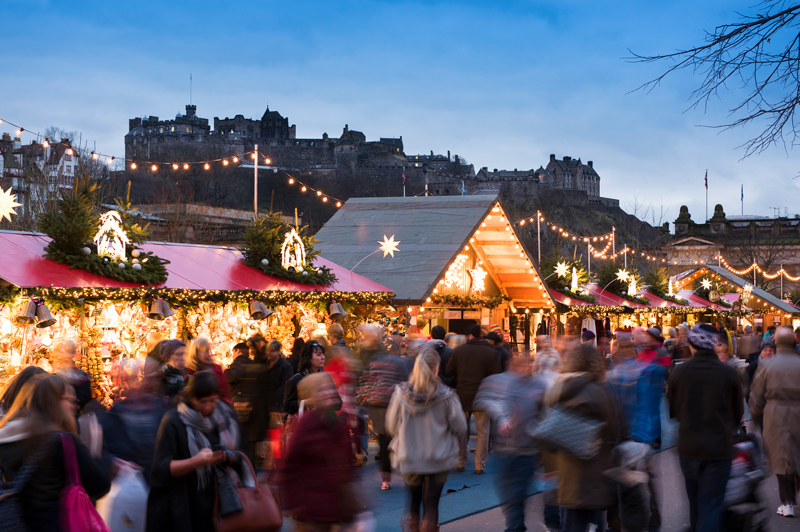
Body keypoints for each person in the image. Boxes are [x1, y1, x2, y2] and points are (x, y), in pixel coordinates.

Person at [0, 374, 111, 531]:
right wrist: (96, 450)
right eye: (70, 400)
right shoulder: (62, 441)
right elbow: (99, 487)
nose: (75, 406)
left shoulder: (5, 439)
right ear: (54, 402)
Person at [667, 323, 743, 532]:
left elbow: (673, 410)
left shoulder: (679, 372)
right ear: (713, 345)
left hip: (690, 446)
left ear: (692, 344)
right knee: (712, 504)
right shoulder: (728, 373)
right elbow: (737, 413)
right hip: (719, 447)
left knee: (696, 503)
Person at [147, 371, 243, 532]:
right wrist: (197, 461)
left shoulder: (227, 417)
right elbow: (162, 469)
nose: (207, 407)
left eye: (212, 401)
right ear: (190, 398)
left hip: (225, 503)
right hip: (189, 505)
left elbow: (242, 454)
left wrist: (226, 457)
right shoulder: (174, 422)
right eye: (202, 401)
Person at [386, 348, 467, 532]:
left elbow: (391, 425)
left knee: (413, 502)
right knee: (431, 504)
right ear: (436, 368)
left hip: (410, 455)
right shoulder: (447, 395)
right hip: (439, 456)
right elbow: (461, 427)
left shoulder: (400, 393)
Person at [548, 343, 622, 532]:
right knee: (593, 519)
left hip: (567, 467)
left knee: (572, 518)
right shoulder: (600, 389)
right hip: (595, 466)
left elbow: (547, 427)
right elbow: (615, 429)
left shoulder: (559, 387)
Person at [474, 353, 546, 532]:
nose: (524, 369)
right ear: (511, 366)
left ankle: (515, 527)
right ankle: (515, 525)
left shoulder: (540, 385)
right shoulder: (503, 383)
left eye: (527, 365)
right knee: (508, 492)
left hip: (527, 450)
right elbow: (484, 400)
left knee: (519, 492)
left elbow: (546, 414)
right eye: (519, 365)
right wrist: (502, 418)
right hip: (504, 450)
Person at [281, 372, 357, 531]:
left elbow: (348, 462)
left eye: (330, 388)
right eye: (321, 390)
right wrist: (293, 503)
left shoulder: (338, 421)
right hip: (311, 510)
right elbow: (290, 466)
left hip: (336, 505)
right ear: (311, 396)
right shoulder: (305, 425)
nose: (329, 393)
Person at [749, 326, 800, 518]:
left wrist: (755, 416)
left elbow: (756, 394)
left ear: (777, 342)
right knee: (797, 454)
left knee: (780, 458)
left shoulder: (768, 366)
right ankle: (794, 494)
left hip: (774, 413)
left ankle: (787, 502)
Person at [102, 356, 169, 482]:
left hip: (161, 485)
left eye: (147, 378)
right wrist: (113, 462)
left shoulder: (164, 408)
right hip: (132, 485)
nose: (136, 384)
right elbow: (102, 451)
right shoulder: (117, 412)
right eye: (131, 379)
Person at [446, 324, 502, 474]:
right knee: (483, 432)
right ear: (481, 336)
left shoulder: (459, 351)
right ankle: (479, 465)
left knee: (461, 430)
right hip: (482, 397)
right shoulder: (490, 352)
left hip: (463, 395)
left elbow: (449, 370)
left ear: (470, 336)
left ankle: (460, 461)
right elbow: (496, 374)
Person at [357, 343, 409, 490]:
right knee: (396, 438)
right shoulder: (399, 362)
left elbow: (365, 382)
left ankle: (386, 479)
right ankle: (402, 469)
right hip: (394, 405)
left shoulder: (373, 362)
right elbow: (405, 383)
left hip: (377, 406)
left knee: (383, 441)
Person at [284, 340, 327, 415]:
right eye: (318, 354)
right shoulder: (296, 380)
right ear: (309, 358)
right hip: (304, 424)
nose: (323, 357)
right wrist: (306, 402)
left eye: (323, 354)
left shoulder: (326, 377)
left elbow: (338, 405)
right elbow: (287, 406)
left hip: (324, 423)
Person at [187, 337, 231, 403]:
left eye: (208, 351)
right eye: (204, 352)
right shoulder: (189, 371)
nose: (207, 354)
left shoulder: (219, 369)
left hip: (216, 409)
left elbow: (226, 394)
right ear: (195, 353)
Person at [52, 340, 93, 411]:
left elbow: (85, 401)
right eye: (65, 352)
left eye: (69, 352)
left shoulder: (82, 377)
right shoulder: (57, 376)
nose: (66, 355)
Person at [743, 337, 775, 402]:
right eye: (765, 350)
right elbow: (745, 380)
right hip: (755, 401)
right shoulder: (753, 366)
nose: (768, 352)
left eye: (770, 350)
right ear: (761, 352)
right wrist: (748, 394)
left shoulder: (778, 366)